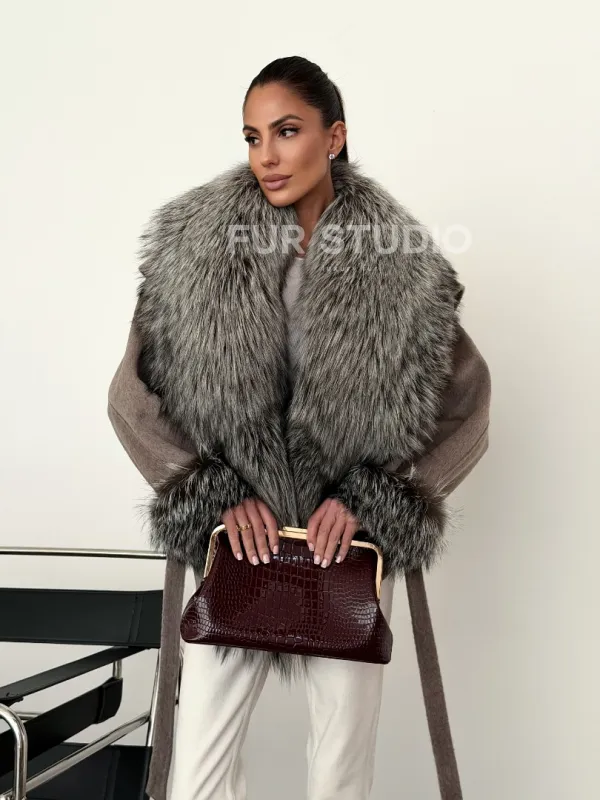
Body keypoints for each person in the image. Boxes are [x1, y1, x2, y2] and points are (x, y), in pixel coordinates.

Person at [107, 55, 491, 800]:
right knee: (196, 775)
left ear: (334, 137)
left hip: (344, 554)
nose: (267, 156)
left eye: (287, 131)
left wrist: (374, 498)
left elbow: (467, 407)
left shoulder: (403, 270)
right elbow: (130, 396)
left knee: (341, 772)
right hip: (236, 549)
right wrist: (213, 492)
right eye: (253, 136)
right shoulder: (195, 254)